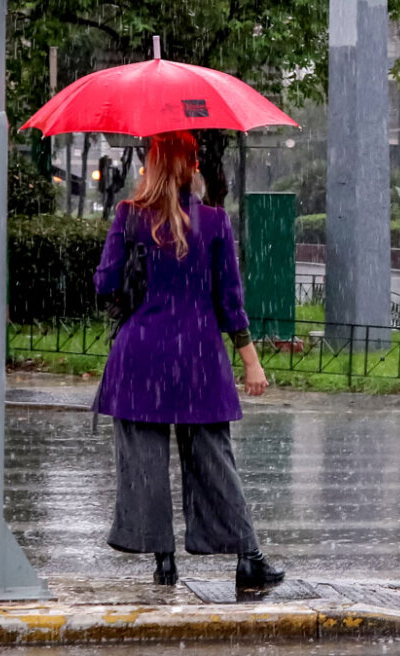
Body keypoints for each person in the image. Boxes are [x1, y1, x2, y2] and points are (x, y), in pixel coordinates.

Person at [93, 130, 284, 588]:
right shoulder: (215, 223)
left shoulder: (129, 217)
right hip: (198, 358)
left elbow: (104, 284)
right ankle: (247, 558)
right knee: (213, 460)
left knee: (143, 461)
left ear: (153, 165)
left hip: (139, 357)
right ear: (192, 166)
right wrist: (251, 362)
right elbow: (230, 301)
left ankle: (163, 559)